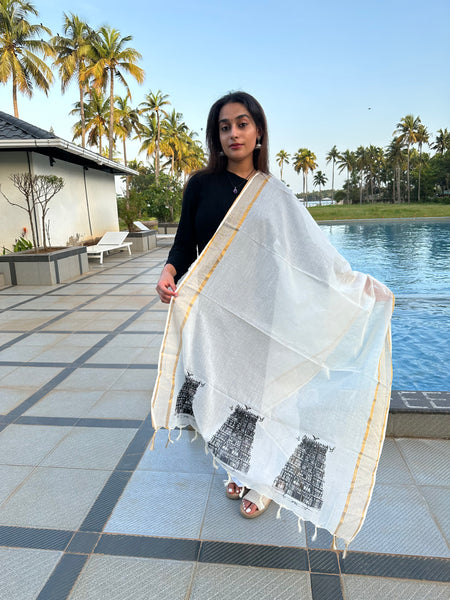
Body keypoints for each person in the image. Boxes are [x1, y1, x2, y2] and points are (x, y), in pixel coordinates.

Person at [156, 91, 271, 517]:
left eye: (242, 124)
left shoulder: (270, 192)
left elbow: (298, 257)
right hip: (214, 311)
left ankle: (262, 480)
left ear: (258, 132)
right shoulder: (200, 185)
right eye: (225, 127)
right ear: (216, 136)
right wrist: (169, 271)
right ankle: (238, 467)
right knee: (223, 393)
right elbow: (184, 243)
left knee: (257, 397)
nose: (234, 133)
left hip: (260, 313)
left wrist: (352, 284)